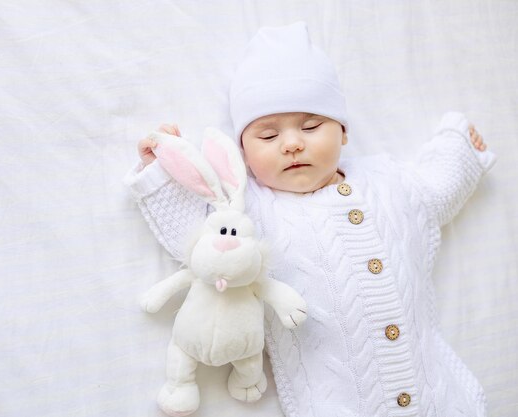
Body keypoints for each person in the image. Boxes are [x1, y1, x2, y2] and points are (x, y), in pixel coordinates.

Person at [124, 22, 495, 417]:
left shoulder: (388, 180)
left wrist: (458, 148)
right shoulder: (249, 209)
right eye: (268, 136)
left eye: (311, 125)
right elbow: (198, 235)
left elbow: (435, 190)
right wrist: (161, 170)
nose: (292, 143)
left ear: (344, 132)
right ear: (242, 155)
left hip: (442, 396)